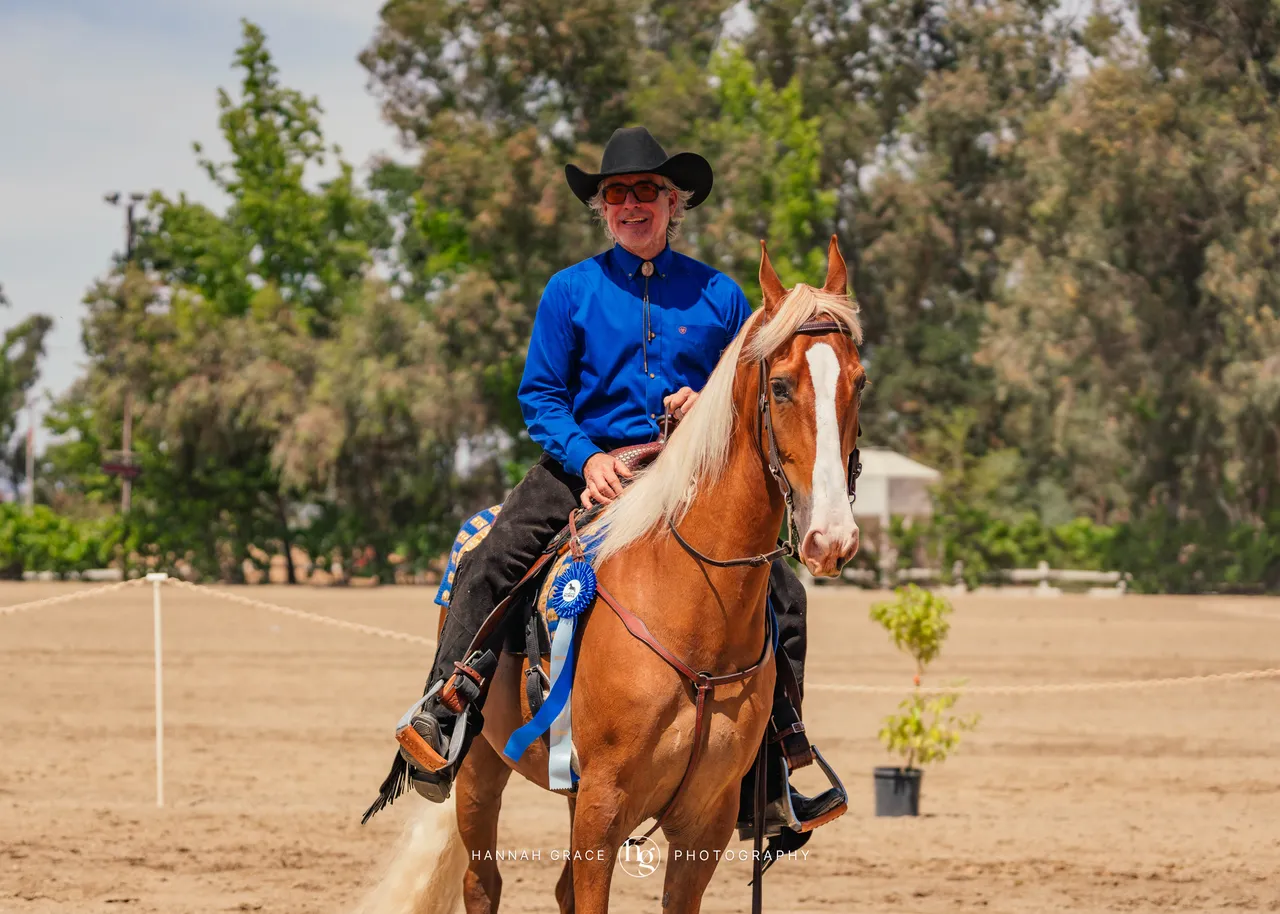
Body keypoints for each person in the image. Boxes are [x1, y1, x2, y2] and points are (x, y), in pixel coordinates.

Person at [394, 126, 841, 838]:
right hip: (584, 469)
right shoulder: (568, 291)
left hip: (687, 478)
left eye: (646, 192)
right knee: (492, 557)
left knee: (782, 589)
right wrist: (587, 458)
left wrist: (707, 405)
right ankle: (445, 709)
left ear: (674, 204)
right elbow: (540, 396)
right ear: (602, 209)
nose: (631, 205)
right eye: (616, 195)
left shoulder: (723, 297)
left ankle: (776, 763)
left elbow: (751, 388)